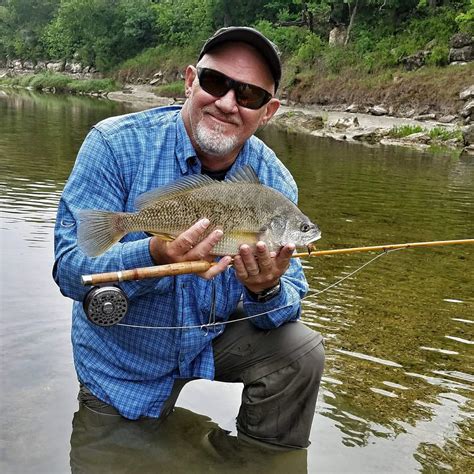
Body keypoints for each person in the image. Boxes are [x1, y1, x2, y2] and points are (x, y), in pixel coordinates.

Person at [53, 26, 325, 454]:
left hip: (211, 337)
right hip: (125, 361)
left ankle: (261, 462)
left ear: (268, 111)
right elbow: (70, 270)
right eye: (215, 82)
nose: (228, 103)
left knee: (300, 351)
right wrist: (154, 250)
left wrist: (265, 288)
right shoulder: (112, 144)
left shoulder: (274, 184)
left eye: (249, 95)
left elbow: (288, 302)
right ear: (189, 80)